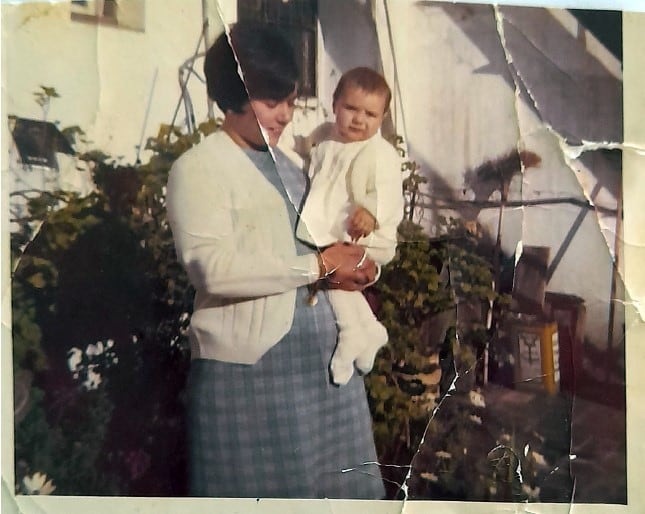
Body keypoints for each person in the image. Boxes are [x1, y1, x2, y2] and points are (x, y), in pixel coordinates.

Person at [166, 22, 385, 499]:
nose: (285, 115)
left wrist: (364, 266)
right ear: (234, 94)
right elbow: (211, 268)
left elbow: (334, 238)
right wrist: (318, 268)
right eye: (272, 102)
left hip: (326, 377)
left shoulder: (296, 165)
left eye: (291, 101)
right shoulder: (198, 169)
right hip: (251, 382)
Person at [297, 67, 404, 385]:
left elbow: (389, 193)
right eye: (351, 109)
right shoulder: (326, 135)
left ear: (382, 117)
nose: (359, 119)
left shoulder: (380, 153)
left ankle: (351, 334)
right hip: (332, 227)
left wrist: (371, 212)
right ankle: (372, 330)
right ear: (334, 104)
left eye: (371, 114)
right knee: (338, 280)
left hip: (361, 232)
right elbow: (307, 155)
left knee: (334, 279)